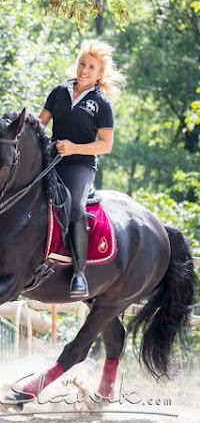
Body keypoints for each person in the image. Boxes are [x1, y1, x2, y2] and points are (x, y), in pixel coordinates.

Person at [39, 39, 125, 299]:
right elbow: (39, 124)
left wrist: (74, 148)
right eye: (82, 64)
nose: (84, 70)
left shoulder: (101, 104)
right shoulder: (58, 93)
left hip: (80, 165)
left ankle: (79, 273)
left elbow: (106, 145)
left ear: (99, 75)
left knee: (76, 208)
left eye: (91, 67)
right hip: (51, 159)